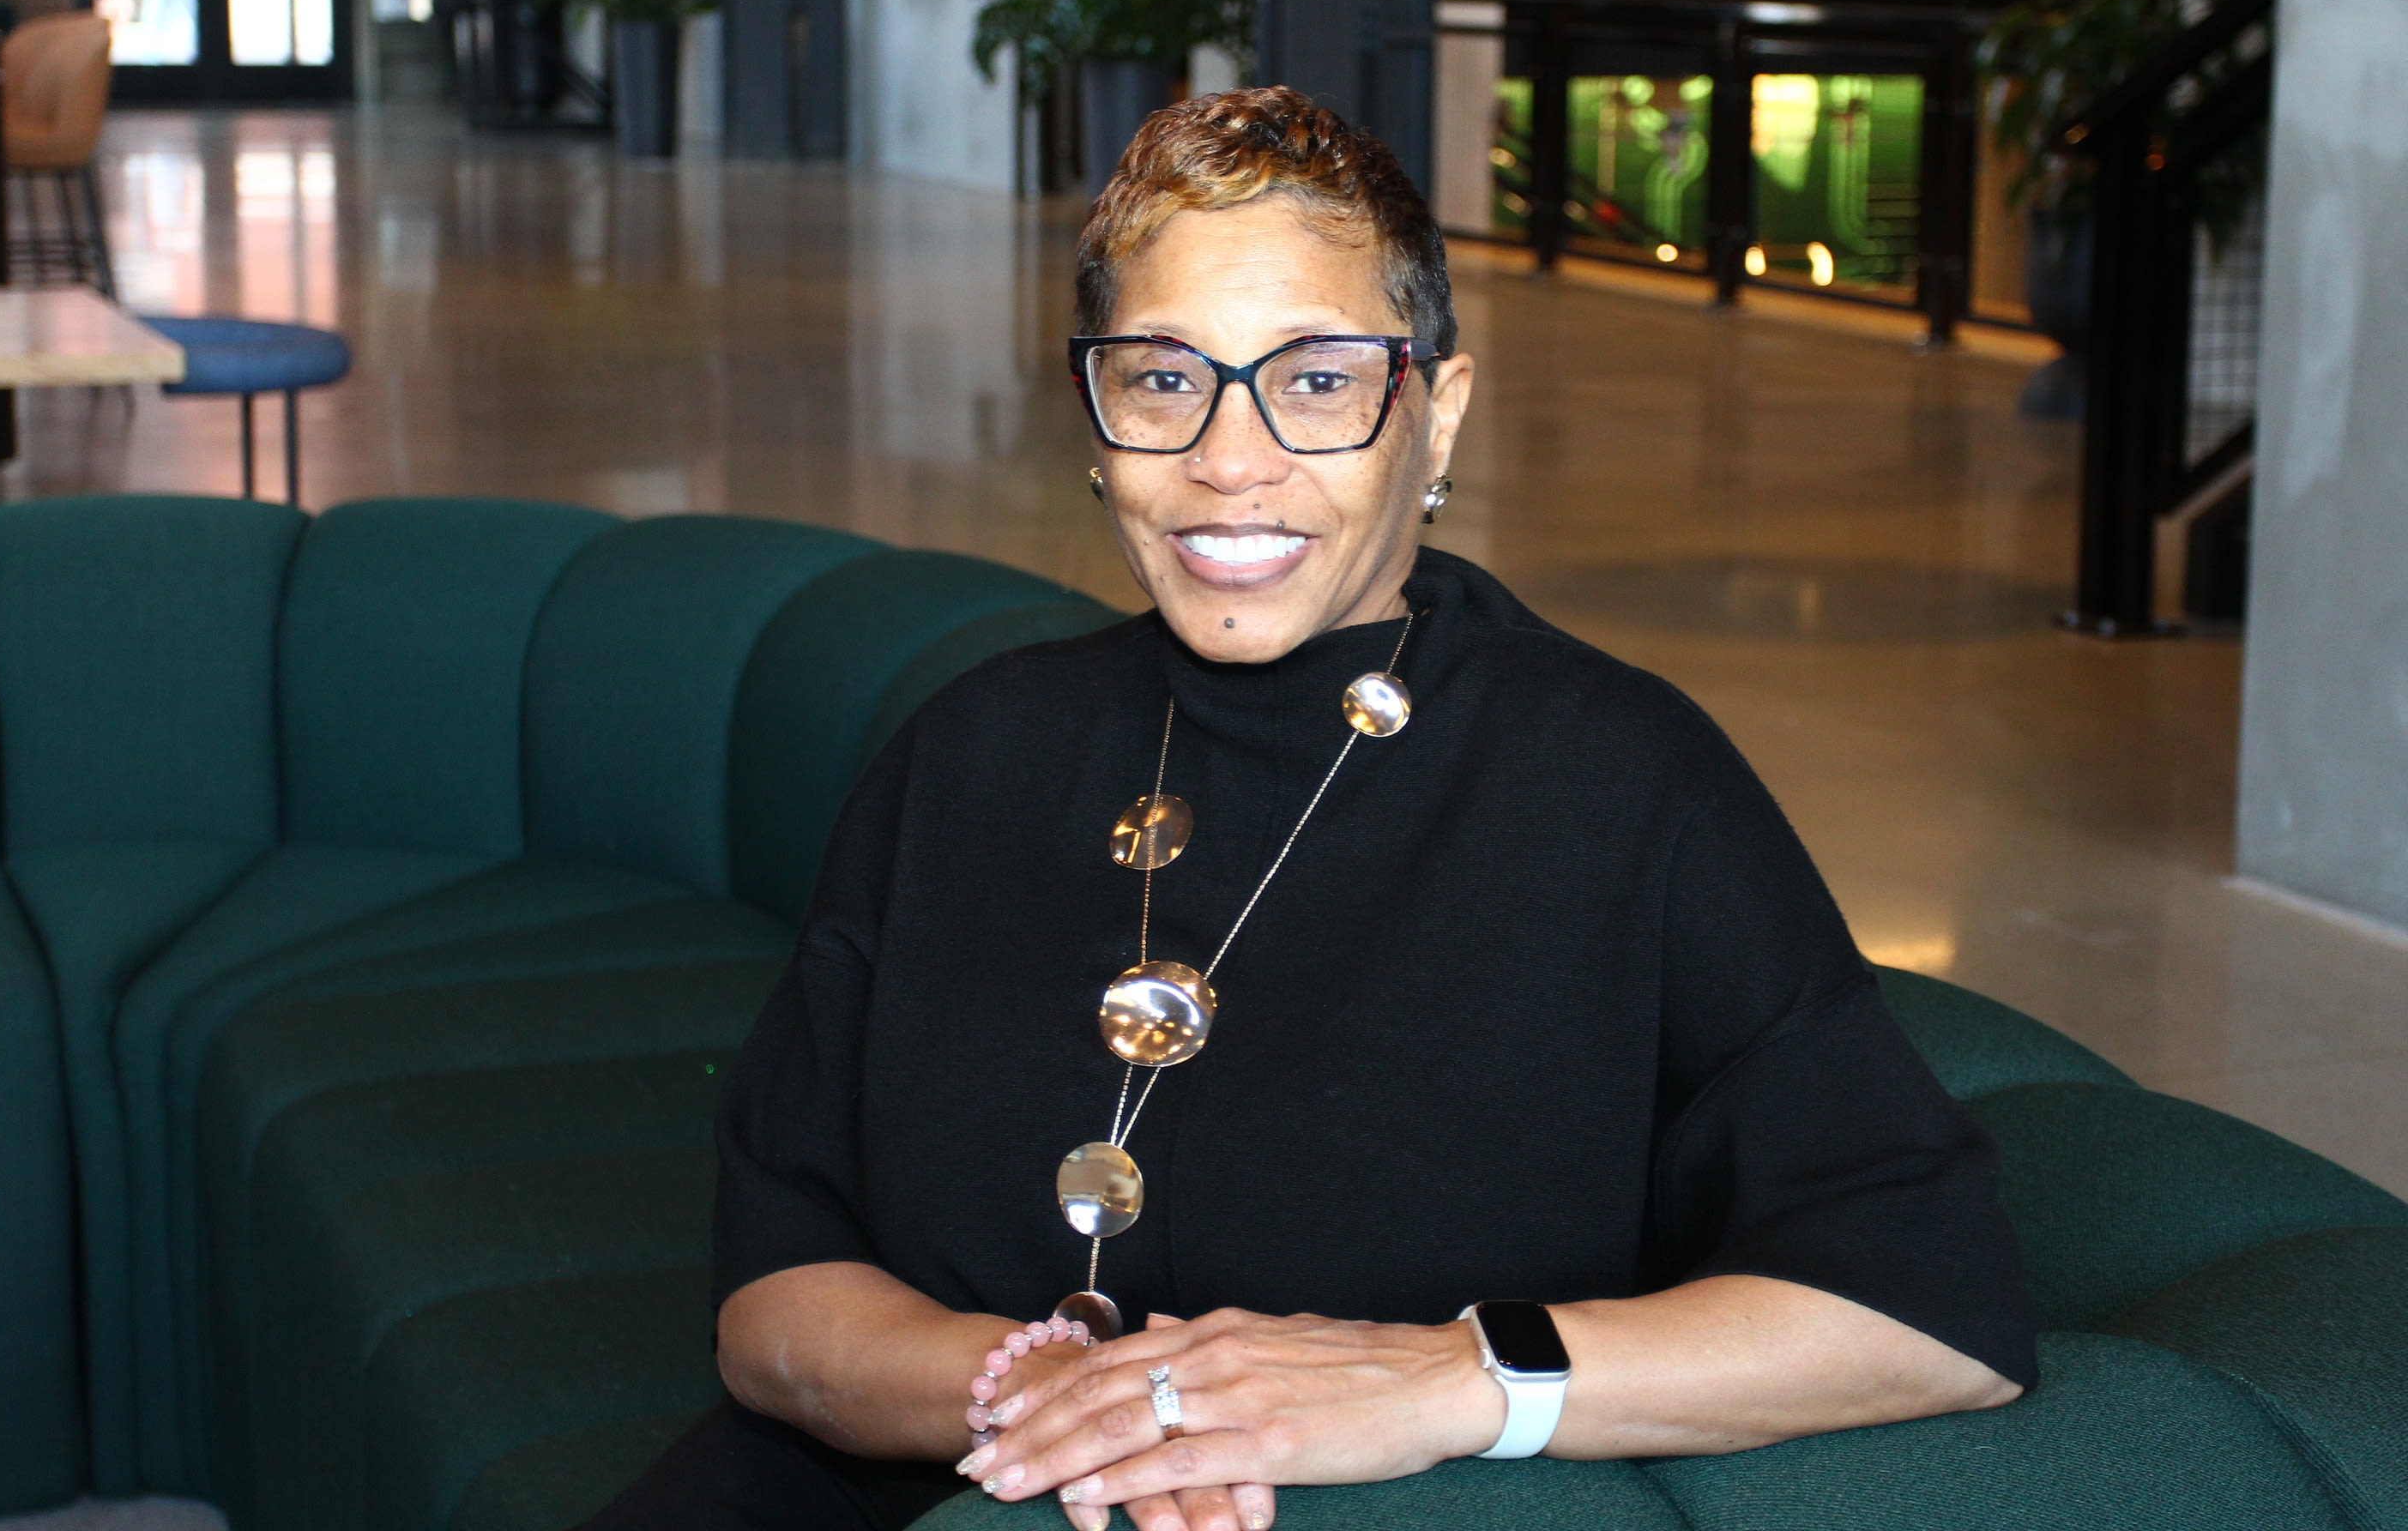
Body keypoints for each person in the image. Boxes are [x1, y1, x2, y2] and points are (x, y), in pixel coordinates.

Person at [587, 87, 2032, 1531]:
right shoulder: (973, 748)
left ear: (1437, 414)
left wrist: (1446, 1380)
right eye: (1165, 379)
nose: (1229, 459)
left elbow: (1931, 1315)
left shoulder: (1618, 780)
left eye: (1320, 380)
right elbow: (773, 1300)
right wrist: (1066, 1399)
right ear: (1096, 413)